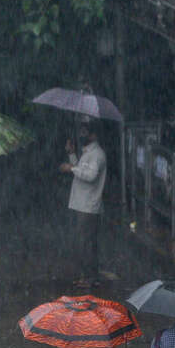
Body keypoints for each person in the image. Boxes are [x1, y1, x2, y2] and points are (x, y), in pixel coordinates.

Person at [59, 122, 107, 288]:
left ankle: (90, 277)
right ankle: (87, 275)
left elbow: (90, 175)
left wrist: (71, 168)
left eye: (85, 132)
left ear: (93, 135)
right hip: (82, 204)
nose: (82, 135)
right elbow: (81, 169)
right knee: (84, 241)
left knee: (86, 242)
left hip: (89, 205)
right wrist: (72, 154)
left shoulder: (97, 155)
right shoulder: (88, 153)